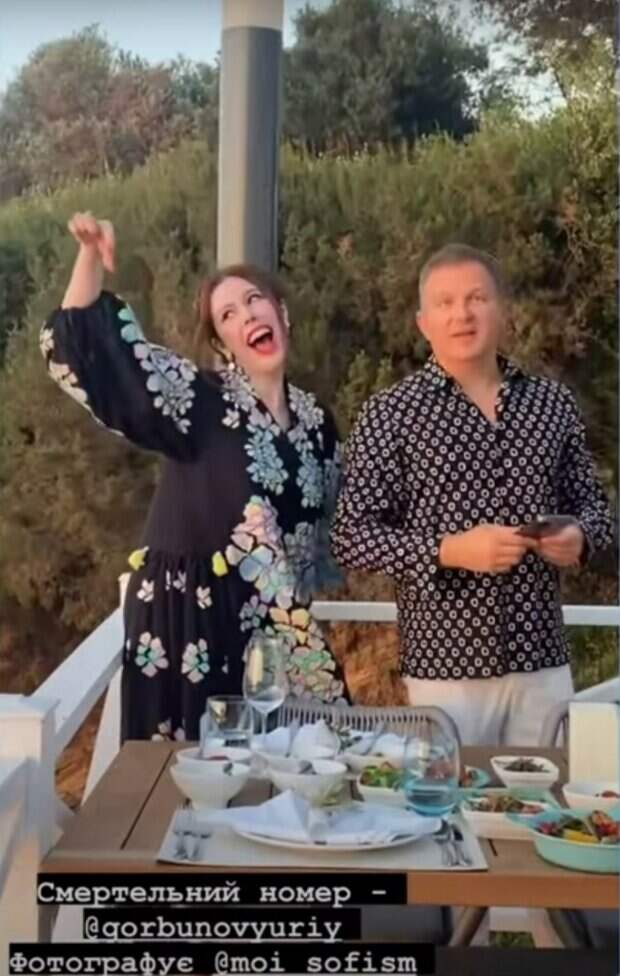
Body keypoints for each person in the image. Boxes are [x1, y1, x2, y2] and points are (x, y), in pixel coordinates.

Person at [41, 213, 348, 742]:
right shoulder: (200, 399)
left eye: (254, 300)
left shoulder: (317, 421)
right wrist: (90, 256)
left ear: (281, 313)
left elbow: (340, 528)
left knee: (311, 759)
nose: (247, 315)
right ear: (223, 343)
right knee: (187, 782)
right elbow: (91, 352)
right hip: (188, 626)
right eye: (228, 314)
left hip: (275, 634)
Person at [331, 242, 613, 746]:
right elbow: (351, 537)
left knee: (550, 793)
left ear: (501, 310)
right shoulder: (389, 414)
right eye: (445, 302)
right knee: (449, 794)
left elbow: (595, 509)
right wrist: (450, 551)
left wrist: (580, 536)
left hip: (541, 661)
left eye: (477, 298)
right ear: (423, 323)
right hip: (445, 671)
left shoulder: (552, 403)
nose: (462, 314)